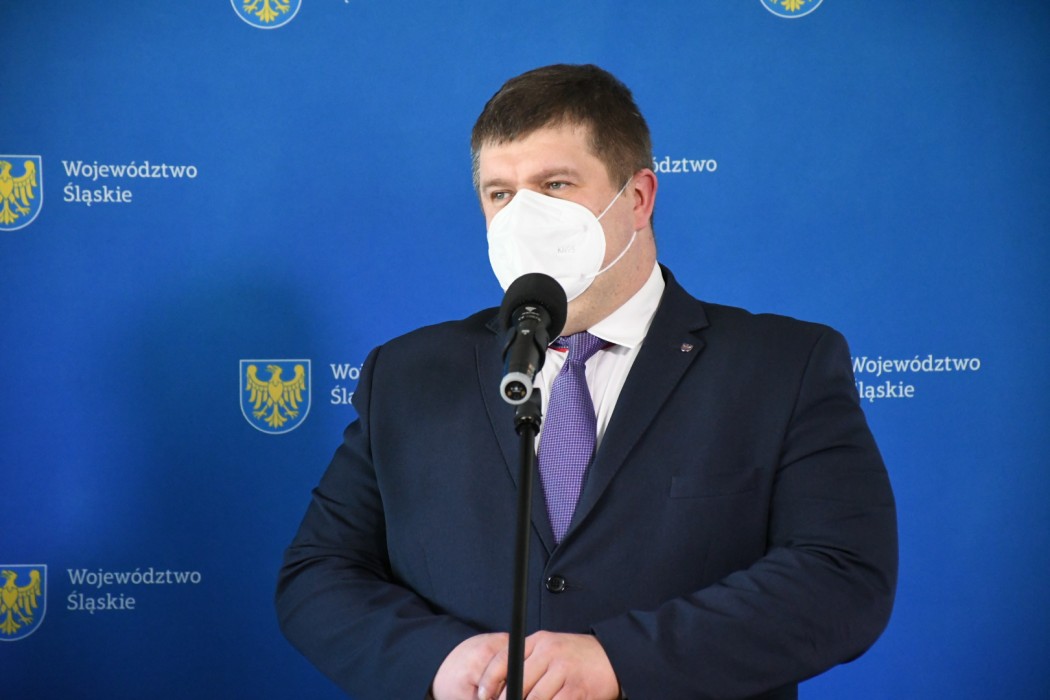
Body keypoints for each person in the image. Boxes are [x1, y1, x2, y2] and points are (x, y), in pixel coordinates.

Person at [276, 64, 897, 700]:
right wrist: (441, 660)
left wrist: (619, 661)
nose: (524, 217)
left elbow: (842, 574)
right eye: (500, 193)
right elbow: (319, 572)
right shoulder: (407, 375)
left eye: (555, 185)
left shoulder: (783, 366)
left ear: (638, 198)